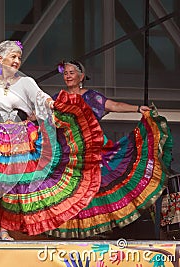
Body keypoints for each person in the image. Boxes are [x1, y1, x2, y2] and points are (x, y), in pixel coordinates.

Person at [0, 40, 105, 240]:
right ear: (0, 59)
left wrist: (55, 104)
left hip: (20, 139)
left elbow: (41, 98)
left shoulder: (26, 82)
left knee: (13, 187)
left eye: (19, 57)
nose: (17, 60)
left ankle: (5, 229)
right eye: (13, 56)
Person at [47, 60, 173, 238]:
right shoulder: (56, 98)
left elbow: (113, 105)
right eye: (65, 73)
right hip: (68, 153)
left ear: (81, 77)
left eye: (71, 72)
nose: (67, 76)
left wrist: (138, 108)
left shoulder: (92, 97)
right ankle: (77, 231)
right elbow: (43, 114)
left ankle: (100, 229)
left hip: (93, 151)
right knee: (70, 191)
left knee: (96, 189)